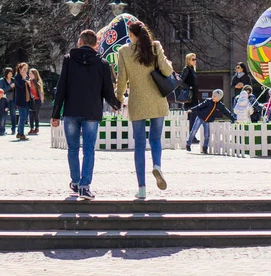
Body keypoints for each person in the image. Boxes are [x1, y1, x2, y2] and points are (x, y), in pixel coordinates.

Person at [51, 30, 121, 200]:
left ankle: (75, 182)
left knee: (73, 149)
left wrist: (55, 114)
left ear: (80, 42)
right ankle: (84, 186)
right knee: (89, 149)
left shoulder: (68, 60)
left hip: (71, 111)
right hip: (91, 112)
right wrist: (116, 105)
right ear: (96, 44)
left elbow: (61, 88)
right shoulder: (103, 64)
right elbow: (107, 91)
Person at [116, 21, 172, 199]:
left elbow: (122, 79)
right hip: (157, 100)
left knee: (139, 144)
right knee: (155, 138)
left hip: (137, 101)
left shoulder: (124, 51)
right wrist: (164, 60)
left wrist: (118, 99)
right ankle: (157, 166)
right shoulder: (155, 47)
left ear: (132, 35)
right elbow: (167, 71)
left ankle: (141, 188)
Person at [185, 89, 234, 153]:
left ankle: (205, 147)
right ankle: (188, 144)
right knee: (193, 131)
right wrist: (191, 110)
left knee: (207, 134)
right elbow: (200, 106)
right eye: (212, 95)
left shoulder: (220, 105)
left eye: (214, 96)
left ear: (219, 98)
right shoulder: (208, 101)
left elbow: (226, 112)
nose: (212, 97)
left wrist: (233, 119)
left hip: (208, 121)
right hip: (200, 117)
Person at [181, 53, 200, 143]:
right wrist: (189, 87)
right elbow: (180, 81)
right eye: (193, 59)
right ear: (188, 60)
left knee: (194, 117)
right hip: (190, 97)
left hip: (194, 96)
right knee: (192, 117)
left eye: (195, 59)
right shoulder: (186, 69)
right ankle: (191, 137)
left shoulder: (192, 70)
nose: (195, 61)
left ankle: (192, 136)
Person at [14, 62, 31, 141]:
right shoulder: (17, 77)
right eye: (23, 69)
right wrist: (24, 78)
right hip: (21, 100)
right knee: (22, 117)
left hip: (27, 99)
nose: (25, 71)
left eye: (26, 69)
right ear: (20, 69)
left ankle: (19, 132)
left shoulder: (26, 77)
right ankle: (21, 133)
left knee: (24, 117)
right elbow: (20, 85)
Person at [0, 67, 17, 135]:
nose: (10, 75)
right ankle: (3, 129)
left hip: (12, 100)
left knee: (13, 115)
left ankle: (13, 129)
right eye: (9, 73)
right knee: (4, 115)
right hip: (5, 100)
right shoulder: (2, 80)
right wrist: (10, 86)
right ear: (6, 74)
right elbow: (2, 90)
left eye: (11, 73)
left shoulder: (13, 80)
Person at [28, 68, 44, 135]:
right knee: (31, 115)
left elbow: (39, 87)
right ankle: (31, 128)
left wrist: (34, 80)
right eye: (29, 73)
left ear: (35, 74)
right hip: (30, 101)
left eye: (31, 74)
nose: (30, 75)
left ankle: (37, 127)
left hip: (37, 100)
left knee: (36, 114)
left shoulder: (38, 81)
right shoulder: (28, 81)